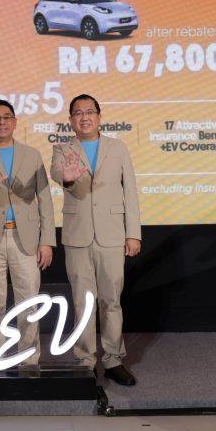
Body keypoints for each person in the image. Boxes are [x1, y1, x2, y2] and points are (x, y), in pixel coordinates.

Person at [50, 94, 141, 386]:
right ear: (71, 120)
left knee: (111, 300)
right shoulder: (62, 149)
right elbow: (57, 174)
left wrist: (133, 233)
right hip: (77, 235)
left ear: (99, 117)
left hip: (112, 234)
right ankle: (85, 361)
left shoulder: (118, 147)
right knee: (82, 302)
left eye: (89, 112)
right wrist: (68, 177)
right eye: (78, 113)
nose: (84, 117)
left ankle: (113, 360)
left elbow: (131, 192)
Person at [0, 99, 55, 368]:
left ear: (15, 122)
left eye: (6, 117)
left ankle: (29, 361)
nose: (1, 122)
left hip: (25, 239)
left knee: (29, 303)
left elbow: (45, 199)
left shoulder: (32, 154)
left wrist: (47, 241)